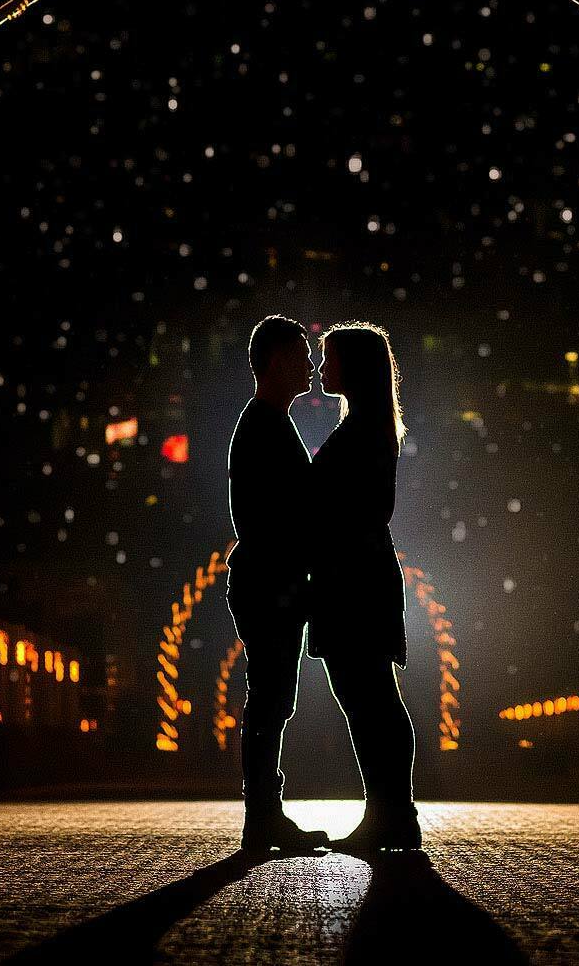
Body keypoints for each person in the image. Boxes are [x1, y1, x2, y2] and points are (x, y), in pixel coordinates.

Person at [309, 321, 421, 852]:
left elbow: (349, 508)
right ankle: (392, 812)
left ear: (353, 367)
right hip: (359, 574)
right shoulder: (371, 425)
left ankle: (390, 814)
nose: (319, 367)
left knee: (367, 697)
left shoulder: (360, 431)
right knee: (372, 697)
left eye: (328, 357)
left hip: (351, 578)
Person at [224, 314, 331, 852]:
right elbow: (277, 517)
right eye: (301, 354)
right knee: (270, 702)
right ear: (274, 362)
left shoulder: (267, 422)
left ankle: (264, 814)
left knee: (269, 700)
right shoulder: (266, 425)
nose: (311, 365)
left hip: (268, 579)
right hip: (271, 583)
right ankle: (262, 817)